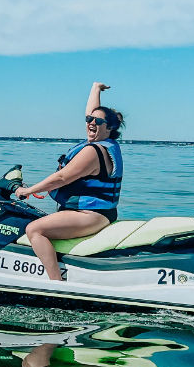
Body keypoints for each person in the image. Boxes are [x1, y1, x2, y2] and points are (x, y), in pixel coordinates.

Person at [14, 82, 124, 281]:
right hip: (96, 212)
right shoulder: (103, 141)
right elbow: (92, 112)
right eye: (89, 119)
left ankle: (56, 284)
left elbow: (62, 178)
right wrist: (95, 88)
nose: (91, 123)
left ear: (108, 128)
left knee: (34, 229)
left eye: (97, 122)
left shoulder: (93, 152)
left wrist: (28, 191)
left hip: (91, 214)